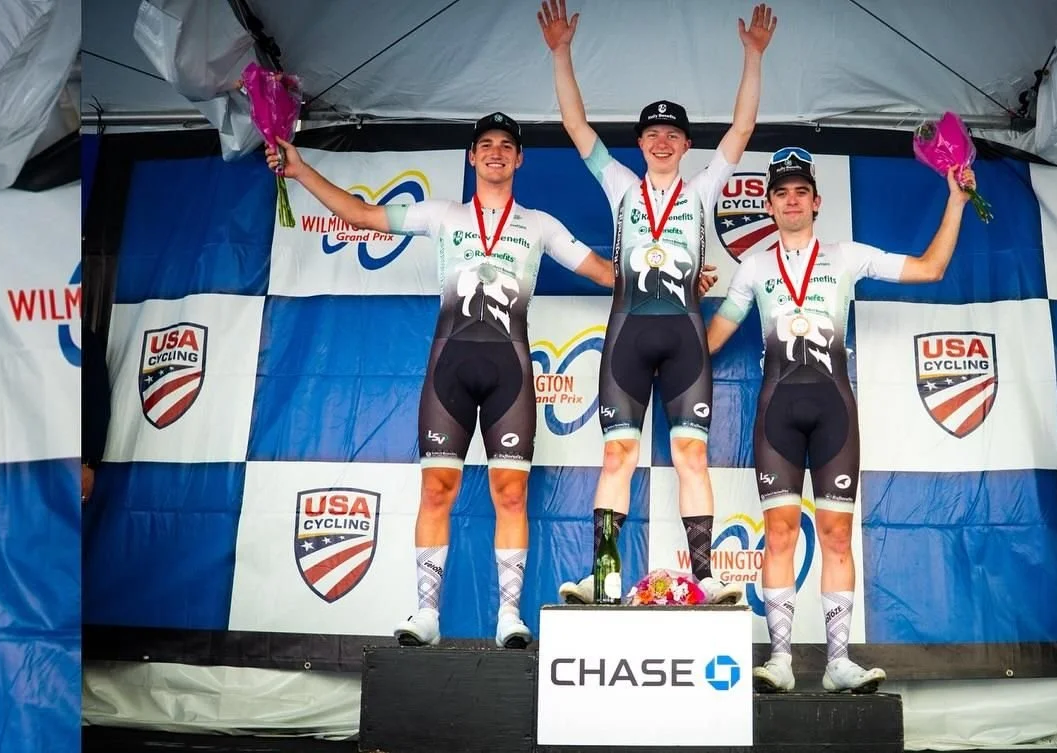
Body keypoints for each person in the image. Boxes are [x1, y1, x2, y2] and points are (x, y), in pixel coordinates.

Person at [267, 112, 616, 648]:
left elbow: (601, 270)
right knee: (437, 490)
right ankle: (426, 615)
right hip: (448, 369)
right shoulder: (441, 215)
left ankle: (509, 617)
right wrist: (300, 170)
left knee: (511, 493)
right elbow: (361, 215)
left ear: (520, 158)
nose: (496, 152)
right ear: (471, 157)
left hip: (511, 374)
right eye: (485, 145)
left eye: (506, 145)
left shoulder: (539, 224)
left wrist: (678, 280)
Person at [706, 147, 974, 691]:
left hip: (834, 412)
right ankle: (779, 659)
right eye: (780, 193)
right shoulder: (754, 267)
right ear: (769, 204)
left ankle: (836, 663)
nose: (790, 201)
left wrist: (957, 200)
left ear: (816, 201)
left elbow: (931, 269)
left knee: (834, 535)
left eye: (799, 191)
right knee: (779, 535)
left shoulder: (847, 256)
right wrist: (662, 342)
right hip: (776, 413)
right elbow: (712, 338)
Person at [538, 0, 776, 606]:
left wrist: (752, 58)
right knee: (618, 453)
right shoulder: (620, 184)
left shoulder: (701, 190)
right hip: (626, 336)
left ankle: (704, 579)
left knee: (691, 455)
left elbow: (742, 131)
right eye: (653, 133)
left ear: (686, 144)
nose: (663, 141)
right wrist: (562, 53)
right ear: (641, 142)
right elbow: (576, 127)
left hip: (685, 341)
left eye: (674, 134)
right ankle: (606, 579)